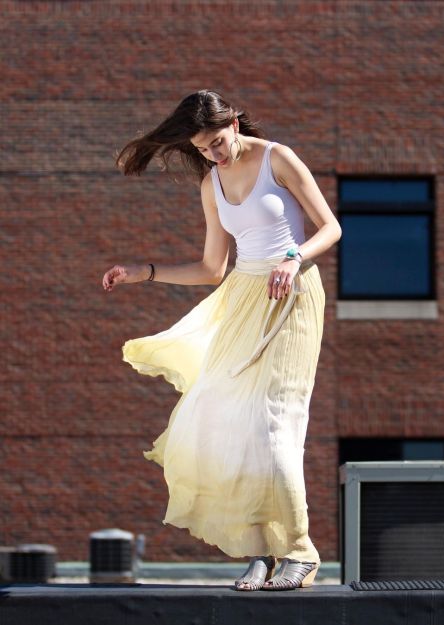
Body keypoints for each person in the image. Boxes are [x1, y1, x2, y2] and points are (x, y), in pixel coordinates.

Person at [102, 90, 342, 591]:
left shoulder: (279, 158)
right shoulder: (211, 184)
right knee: (230, 425)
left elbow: (331, 227)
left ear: (233, 123)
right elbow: (213, 269)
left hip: (292, 296)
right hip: (241, 301)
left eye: (217, 142)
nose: (213, 154)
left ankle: (298, 550)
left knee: (275, 425)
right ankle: (258, 552)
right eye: (203, 148)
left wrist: (294, 257)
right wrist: (141, 273)